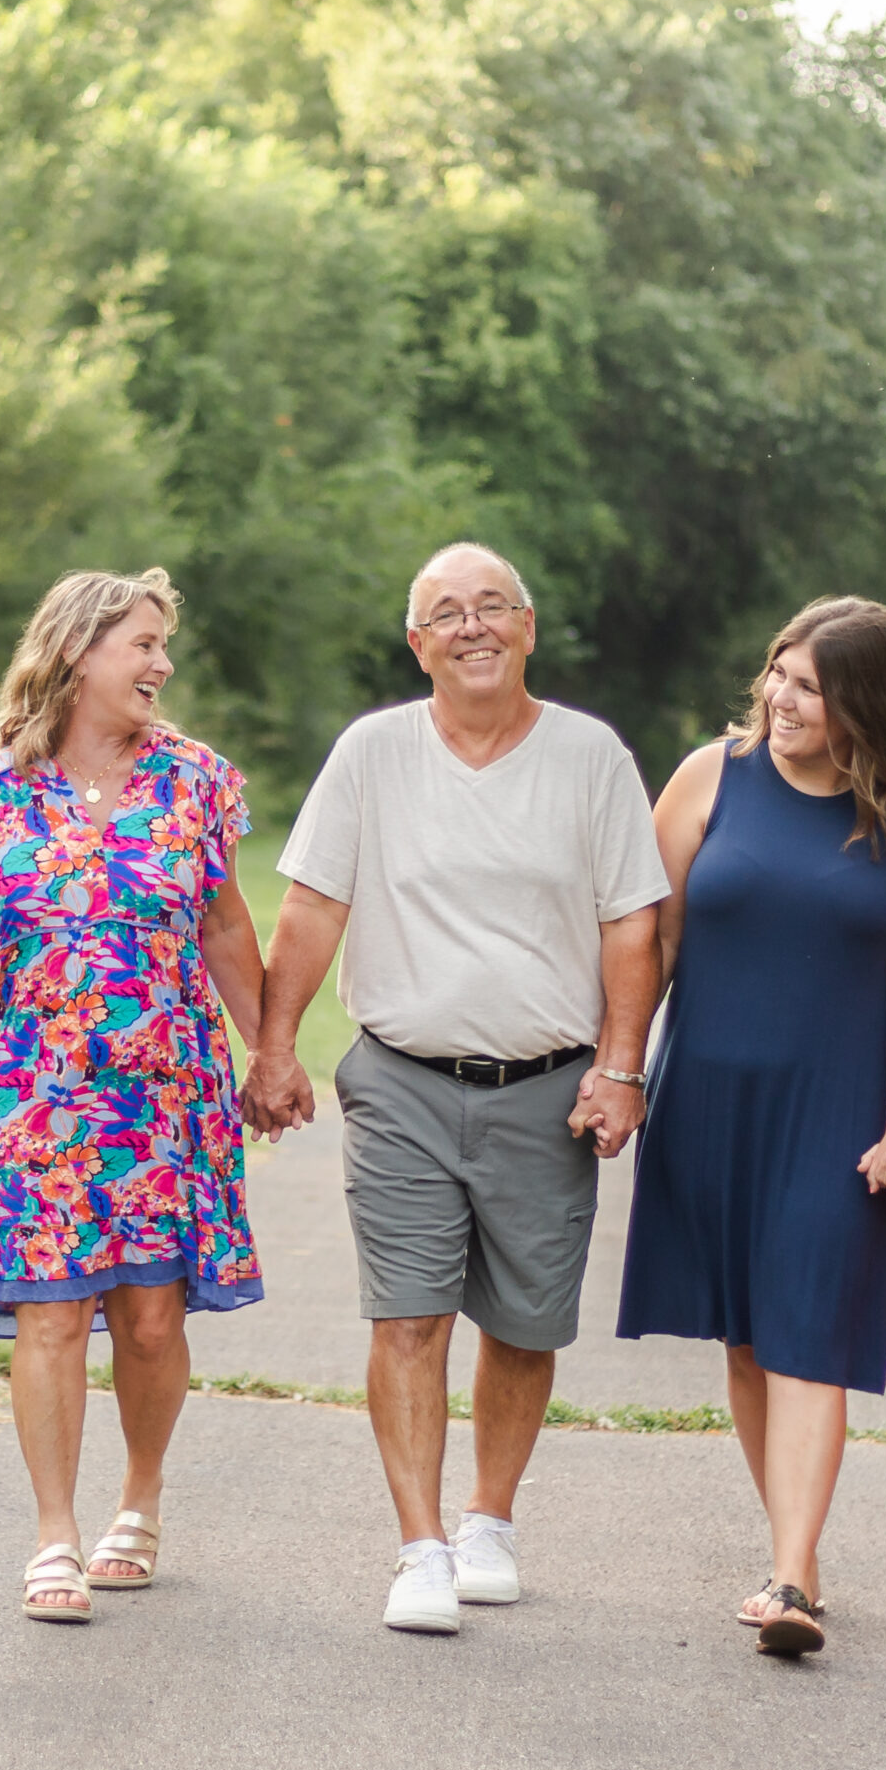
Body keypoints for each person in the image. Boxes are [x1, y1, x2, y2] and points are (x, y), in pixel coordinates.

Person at [245, 542, 669, 1635]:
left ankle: (490, 1518)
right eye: (447, 611)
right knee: (411, 1313)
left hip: (548, 1085)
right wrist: (275, 1047)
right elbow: (311, 910)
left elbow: (633, 923)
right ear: (416, 641)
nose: (472, 626)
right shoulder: (373, 753)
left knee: (525, 1324)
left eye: (493, 608)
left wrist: (621, 1068)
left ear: (529, 628)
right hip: (401, 1081)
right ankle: (421, 1543)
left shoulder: (590, 757)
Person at [0, 567, 265, 1624]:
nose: (161, 664)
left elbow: (226, 928)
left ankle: (137, 1501)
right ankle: (53, 1533)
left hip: (162, 1090)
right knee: (49, 1311)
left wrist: (271, 1049)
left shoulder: (196, 783)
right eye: (142, 643)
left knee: (147, 1317)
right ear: (78, 650)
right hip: (25, 1087)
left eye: (162, 645)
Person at [616, 597, 886, 1656]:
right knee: (753, 1334)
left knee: (809, 1324)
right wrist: (618, 1070)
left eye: (808, 686)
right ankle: (789, 1549)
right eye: (777, 672)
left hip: (840, 1105)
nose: (780, 697)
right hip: (712, 1092)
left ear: (867, 702)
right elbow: (649, 936)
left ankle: (794, 1575)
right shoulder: (710, 775)